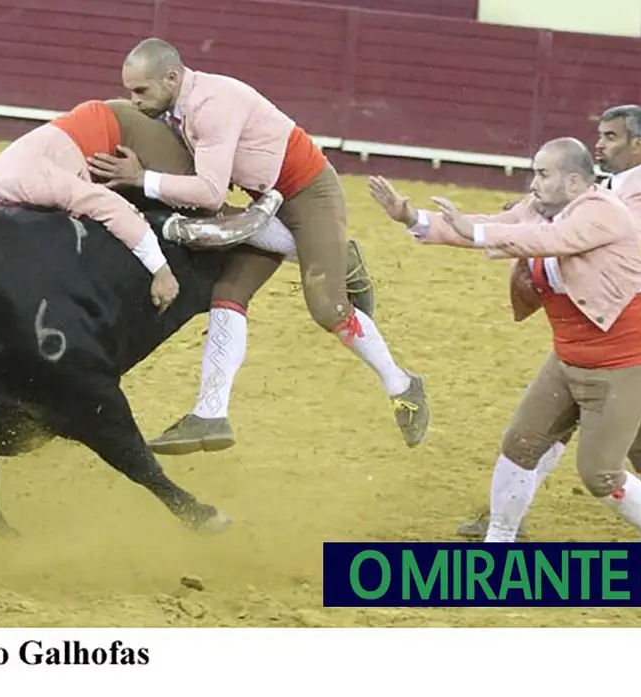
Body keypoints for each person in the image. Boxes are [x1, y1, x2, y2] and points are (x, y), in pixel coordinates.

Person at [89, 37, 426, 455]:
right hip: (263, 200)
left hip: (308, 193)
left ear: (172, 77)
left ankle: (403, 384)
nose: (134, 100)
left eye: (141, 90)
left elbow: (210, 194)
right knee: (226, 294)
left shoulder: (210, 104)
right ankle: (210, 414)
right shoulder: (183, 101)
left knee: (326, 306)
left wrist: (143, 180)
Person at [370, 137, 641, 543]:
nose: (533, 183)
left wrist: (479, 232)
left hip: (624, 360)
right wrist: (414, 218)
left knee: (600, 473)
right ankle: (499, 541)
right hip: (570, 354)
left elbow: (549, 241)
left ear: (573, 182)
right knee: (520, 445)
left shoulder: (603, 212)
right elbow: (492, 226)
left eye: (542, 174)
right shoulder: (539, 209)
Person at [0, 99, 377, 321]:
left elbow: (106, 204)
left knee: (203, 214)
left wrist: (157, 271)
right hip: (91, 152)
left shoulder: (22, 182)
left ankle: (324, 252)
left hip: (120, 133)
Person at [453, 105, 641, 539]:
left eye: (611, 137)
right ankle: (504, 522)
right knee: (551, 422)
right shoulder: (611, 188)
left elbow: (585, 236)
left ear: (639, 144)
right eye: (600, 135)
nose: (600, 144)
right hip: (601, 319)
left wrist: (541, 221)